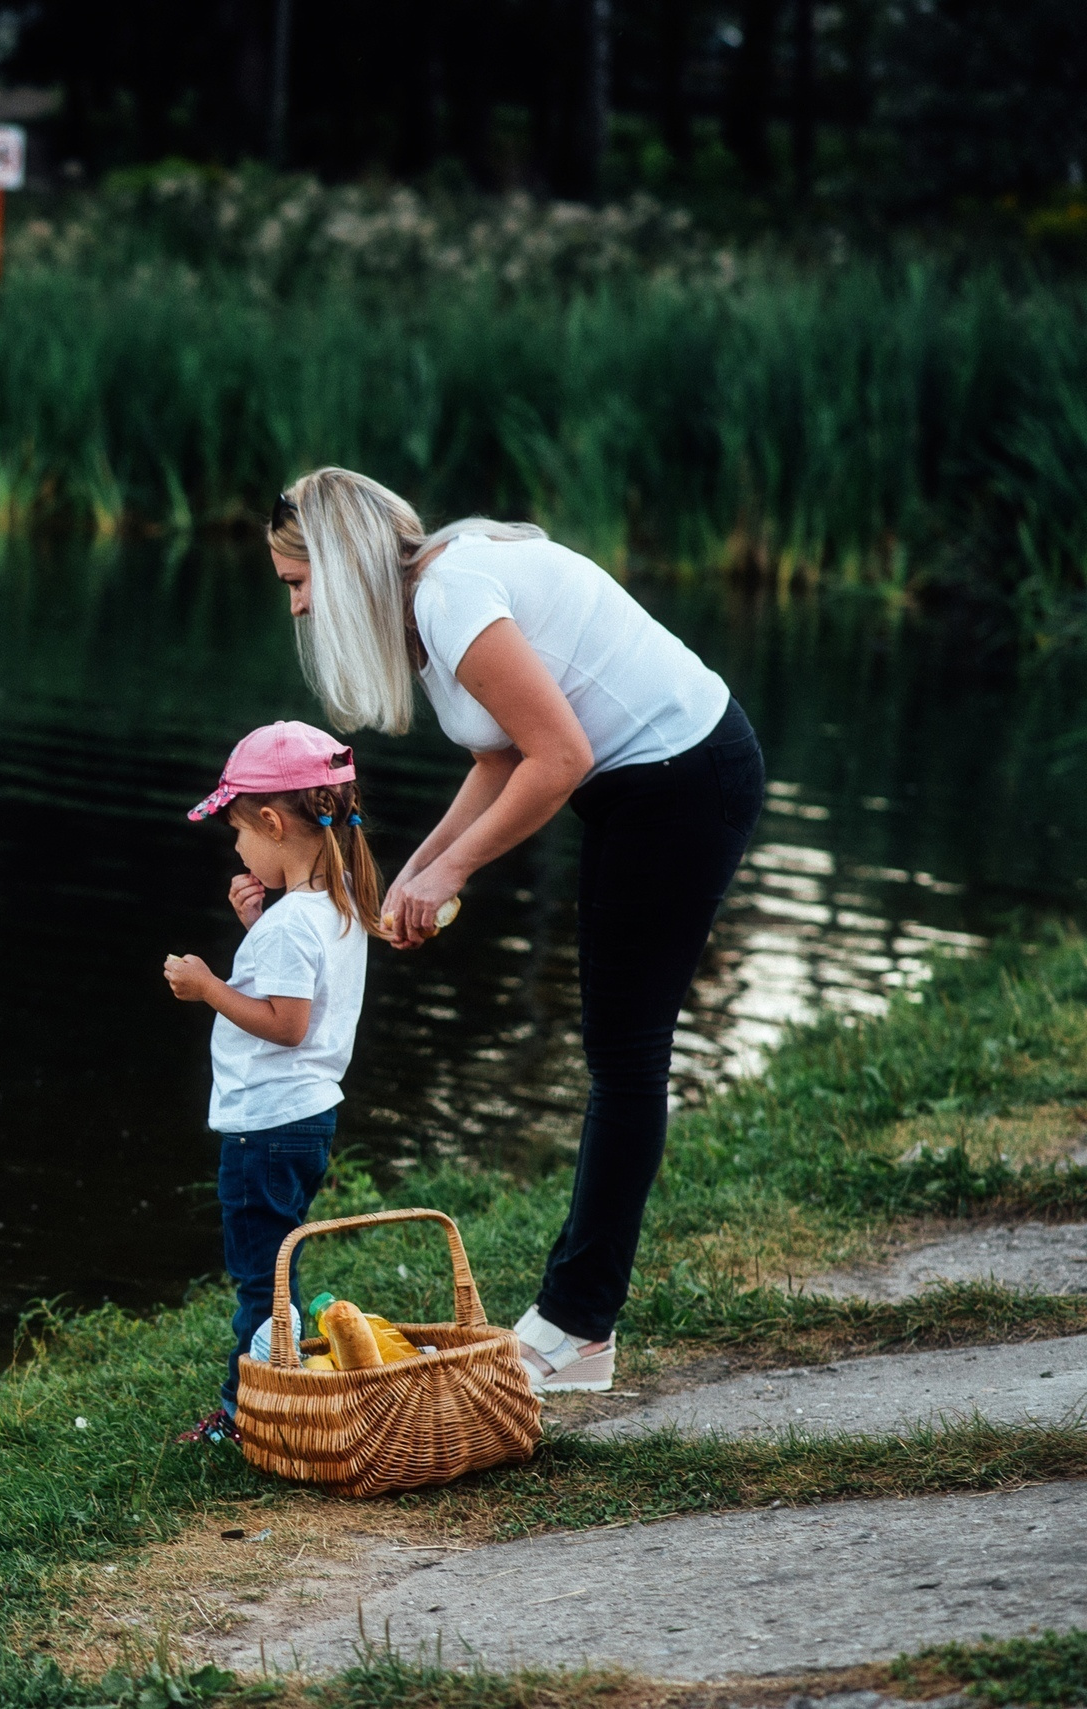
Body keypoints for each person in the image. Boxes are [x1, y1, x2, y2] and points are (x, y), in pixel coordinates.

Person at [266, 467, 765, 1394]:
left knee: (625, 1059)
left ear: (337, 569)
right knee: (618, 1054)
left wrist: (453, 871)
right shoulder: (428, 600)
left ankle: (579, 1328)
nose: (296, 607)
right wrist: (417, 869)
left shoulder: (451, 594)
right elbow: (503, 754)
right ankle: (577, 1321)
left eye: (298, 584)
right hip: (644, 788)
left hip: (685, 779)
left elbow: (561, 756)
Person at [162, 720, 384, 1445]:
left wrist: (207, 986)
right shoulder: (339, 897)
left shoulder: (295, 924)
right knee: (277, 1262)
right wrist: (259, 918)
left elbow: (287, 1022)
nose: (236, 848)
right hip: (305, 1119)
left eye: (238, 832)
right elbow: (303, 991)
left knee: (259, 1281)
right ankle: (294, 1370)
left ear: (272, 820)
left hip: (266, 1127)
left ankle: (244, 1415)